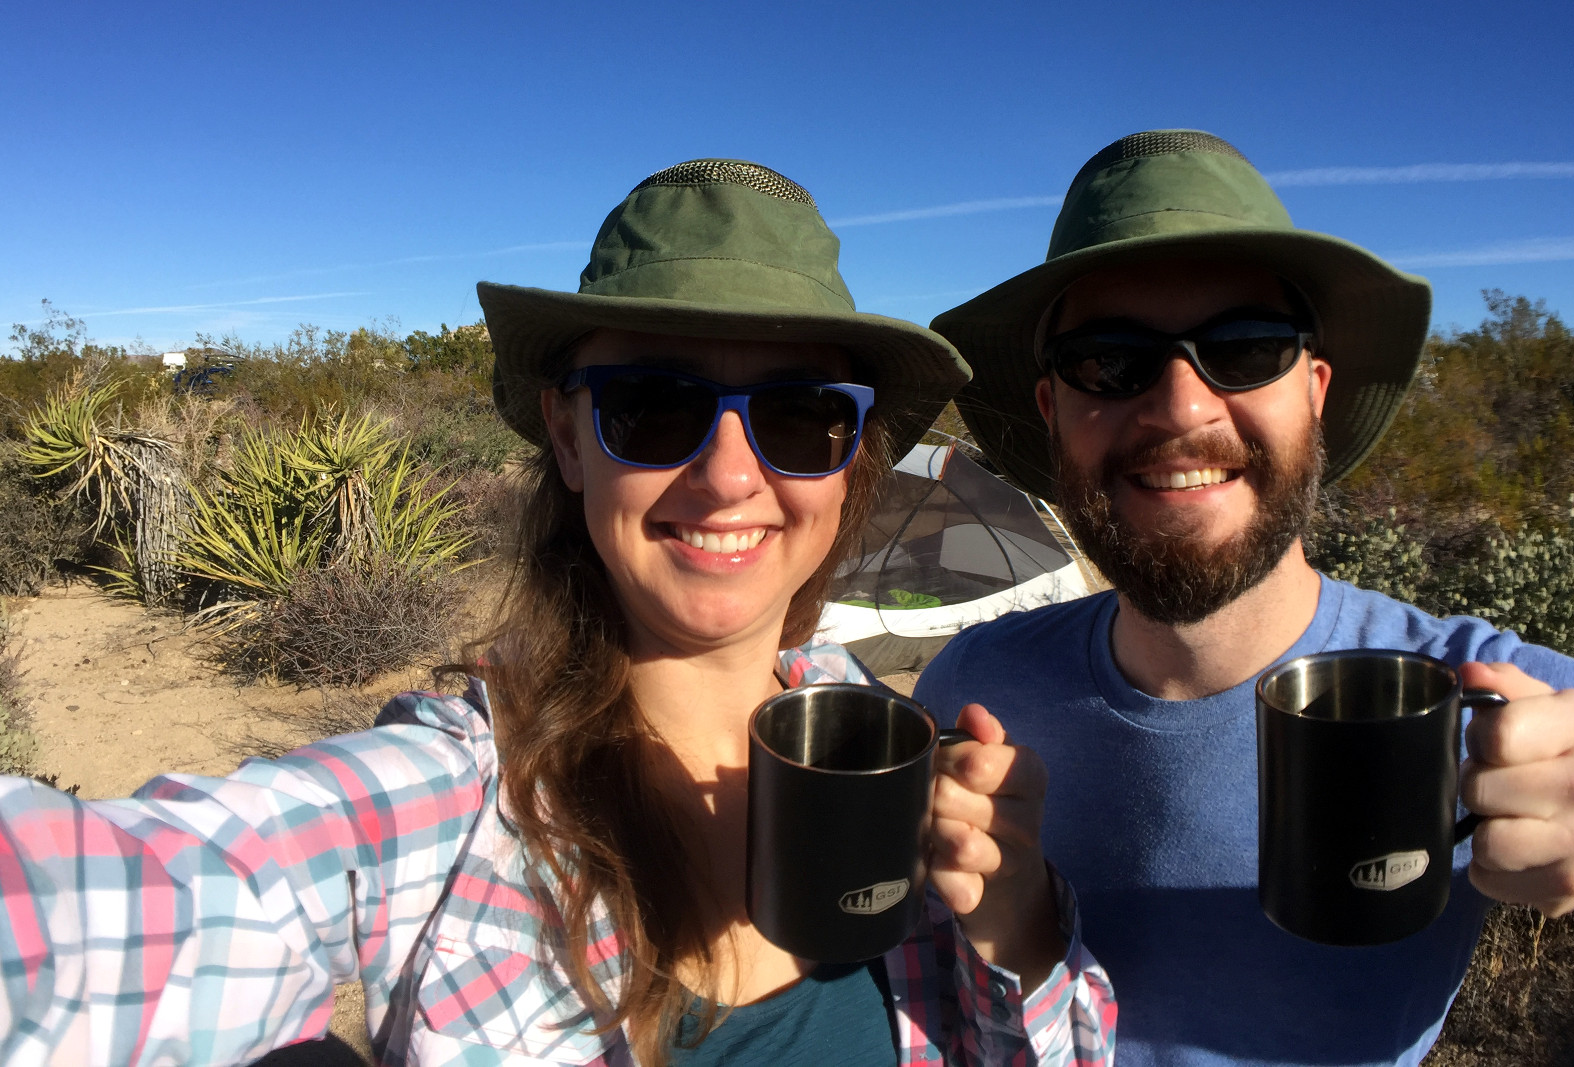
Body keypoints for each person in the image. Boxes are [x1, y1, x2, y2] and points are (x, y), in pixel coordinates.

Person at [0, 159, 1115, 1066]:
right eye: (653, 405)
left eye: (798, 417)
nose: (731, 476)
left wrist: (1014, 926)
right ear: (570, 435)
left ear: (848, 467)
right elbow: (90, 912)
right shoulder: (455, 798)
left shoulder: (874, 743)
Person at [915, 130, 1574, 1067]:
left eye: (1245, 348)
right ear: (1051, 411)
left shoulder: (1486, 697)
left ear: (1315, 390)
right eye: (1109, 361)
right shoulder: (974, 686)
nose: (1182, 409)